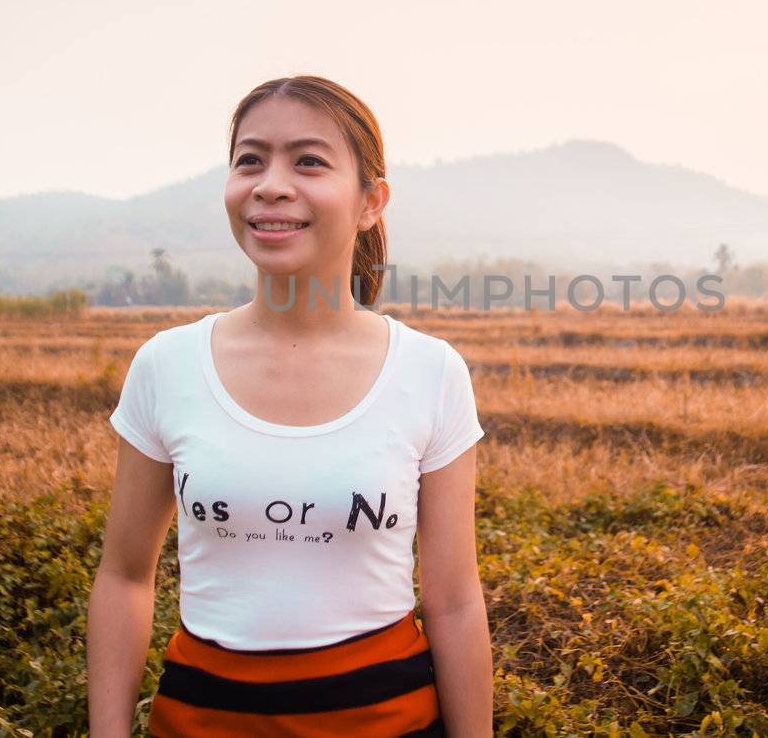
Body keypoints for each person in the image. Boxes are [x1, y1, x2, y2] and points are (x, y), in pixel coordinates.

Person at [87, 75, 494, 737]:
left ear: (371, 202)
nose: (271, 184)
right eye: (250, 159)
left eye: (308, 160)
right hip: (199, 720)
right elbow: (125, 577)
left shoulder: (430, 373)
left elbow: (452, 602)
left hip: (385, 719)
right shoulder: (167, 365)